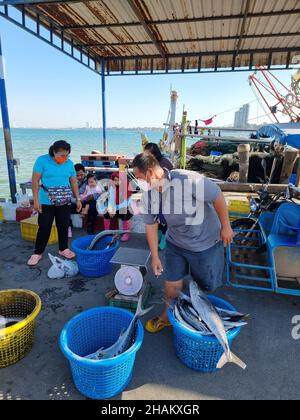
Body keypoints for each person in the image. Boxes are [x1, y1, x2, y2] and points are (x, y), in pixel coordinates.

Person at [132, 153, 234, 334]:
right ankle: (167, 317)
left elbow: (217, 195)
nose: (138, 183)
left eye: (139, 178)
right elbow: (150, 226)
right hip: (175, 243)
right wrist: (155, 257)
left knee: (205, 286)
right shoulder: (148, 196)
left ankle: (200, 318)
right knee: (171, 283)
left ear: (150, 173)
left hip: (205, 243)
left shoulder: (188, 180)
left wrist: (226, 227)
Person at [28, 141, 82, 267]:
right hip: (46, 201)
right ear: (54, 152)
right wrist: (36, 200)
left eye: (67, 155)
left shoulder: (69, 163)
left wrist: (78, 199)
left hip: (64, 200)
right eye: (62, 155)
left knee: (63, 224)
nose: (65, 158)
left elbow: (73, 182)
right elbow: (35, 181)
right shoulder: (42, 160)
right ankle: (38, 252)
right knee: (44, 226)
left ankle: (63, 249)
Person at [144, 143, 174, 250]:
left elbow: (166, 181)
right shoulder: (150, 164)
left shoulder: (165, 163)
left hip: (166, 195)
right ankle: (159, 235)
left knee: (165, 217)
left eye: (147, 154)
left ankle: (166, 238)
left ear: (154, 153)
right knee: (157, 216)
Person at [103, 172, 133, 242]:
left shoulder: (127, 188)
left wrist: (115, 208)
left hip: (124, 207)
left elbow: (126, 203)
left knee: (125, 211)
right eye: (114, 180)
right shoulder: (112, 188)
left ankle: (126, 232)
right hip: (115, 207)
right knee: (106, 212)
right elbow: (110, 199)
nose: (116, 182)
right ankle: (106, 232)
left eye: (118, 180)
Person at [72, 164, 100, 235]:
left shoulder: (91, 178)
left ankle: (90, 226)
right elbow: (69, 195)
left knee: (93, 205)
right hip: (78, 202)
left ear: (85, 172)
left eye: (81, 175)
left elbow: (99, 191)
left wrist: (92, 196)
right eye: (77, 176)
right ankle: (68, 226)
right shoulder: (71, 181)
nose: (80, 177)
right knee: (65, 206)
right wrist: (77, 200)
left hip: (89, 201)